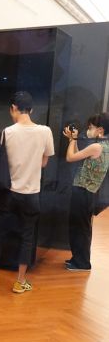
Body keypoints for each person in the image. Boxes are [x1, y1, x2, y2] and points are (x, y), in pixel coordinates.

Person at [0, 91, 54, 293]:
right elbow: (44, 162)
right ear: (31, 110)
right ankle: (20, 281)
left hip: (8, 192)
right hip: (31, 193)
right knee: (27, 237)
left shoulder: (7, 132)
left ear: (13, 108)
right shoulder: (45, 131)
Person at [64, 112, 109, 270]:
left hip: (83, 191)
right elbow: (78, 155)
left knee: (80, 228)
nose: (88, 130)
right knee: (82, 227)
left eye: (91, 127)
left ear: (100, 130)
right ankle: (78, 259)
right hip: (90, 192)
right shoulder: (104, 146)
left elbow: (70, 157)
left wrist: (73, 140)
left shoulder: (96, 147)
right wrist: (74, 140)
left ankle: (82, 263)